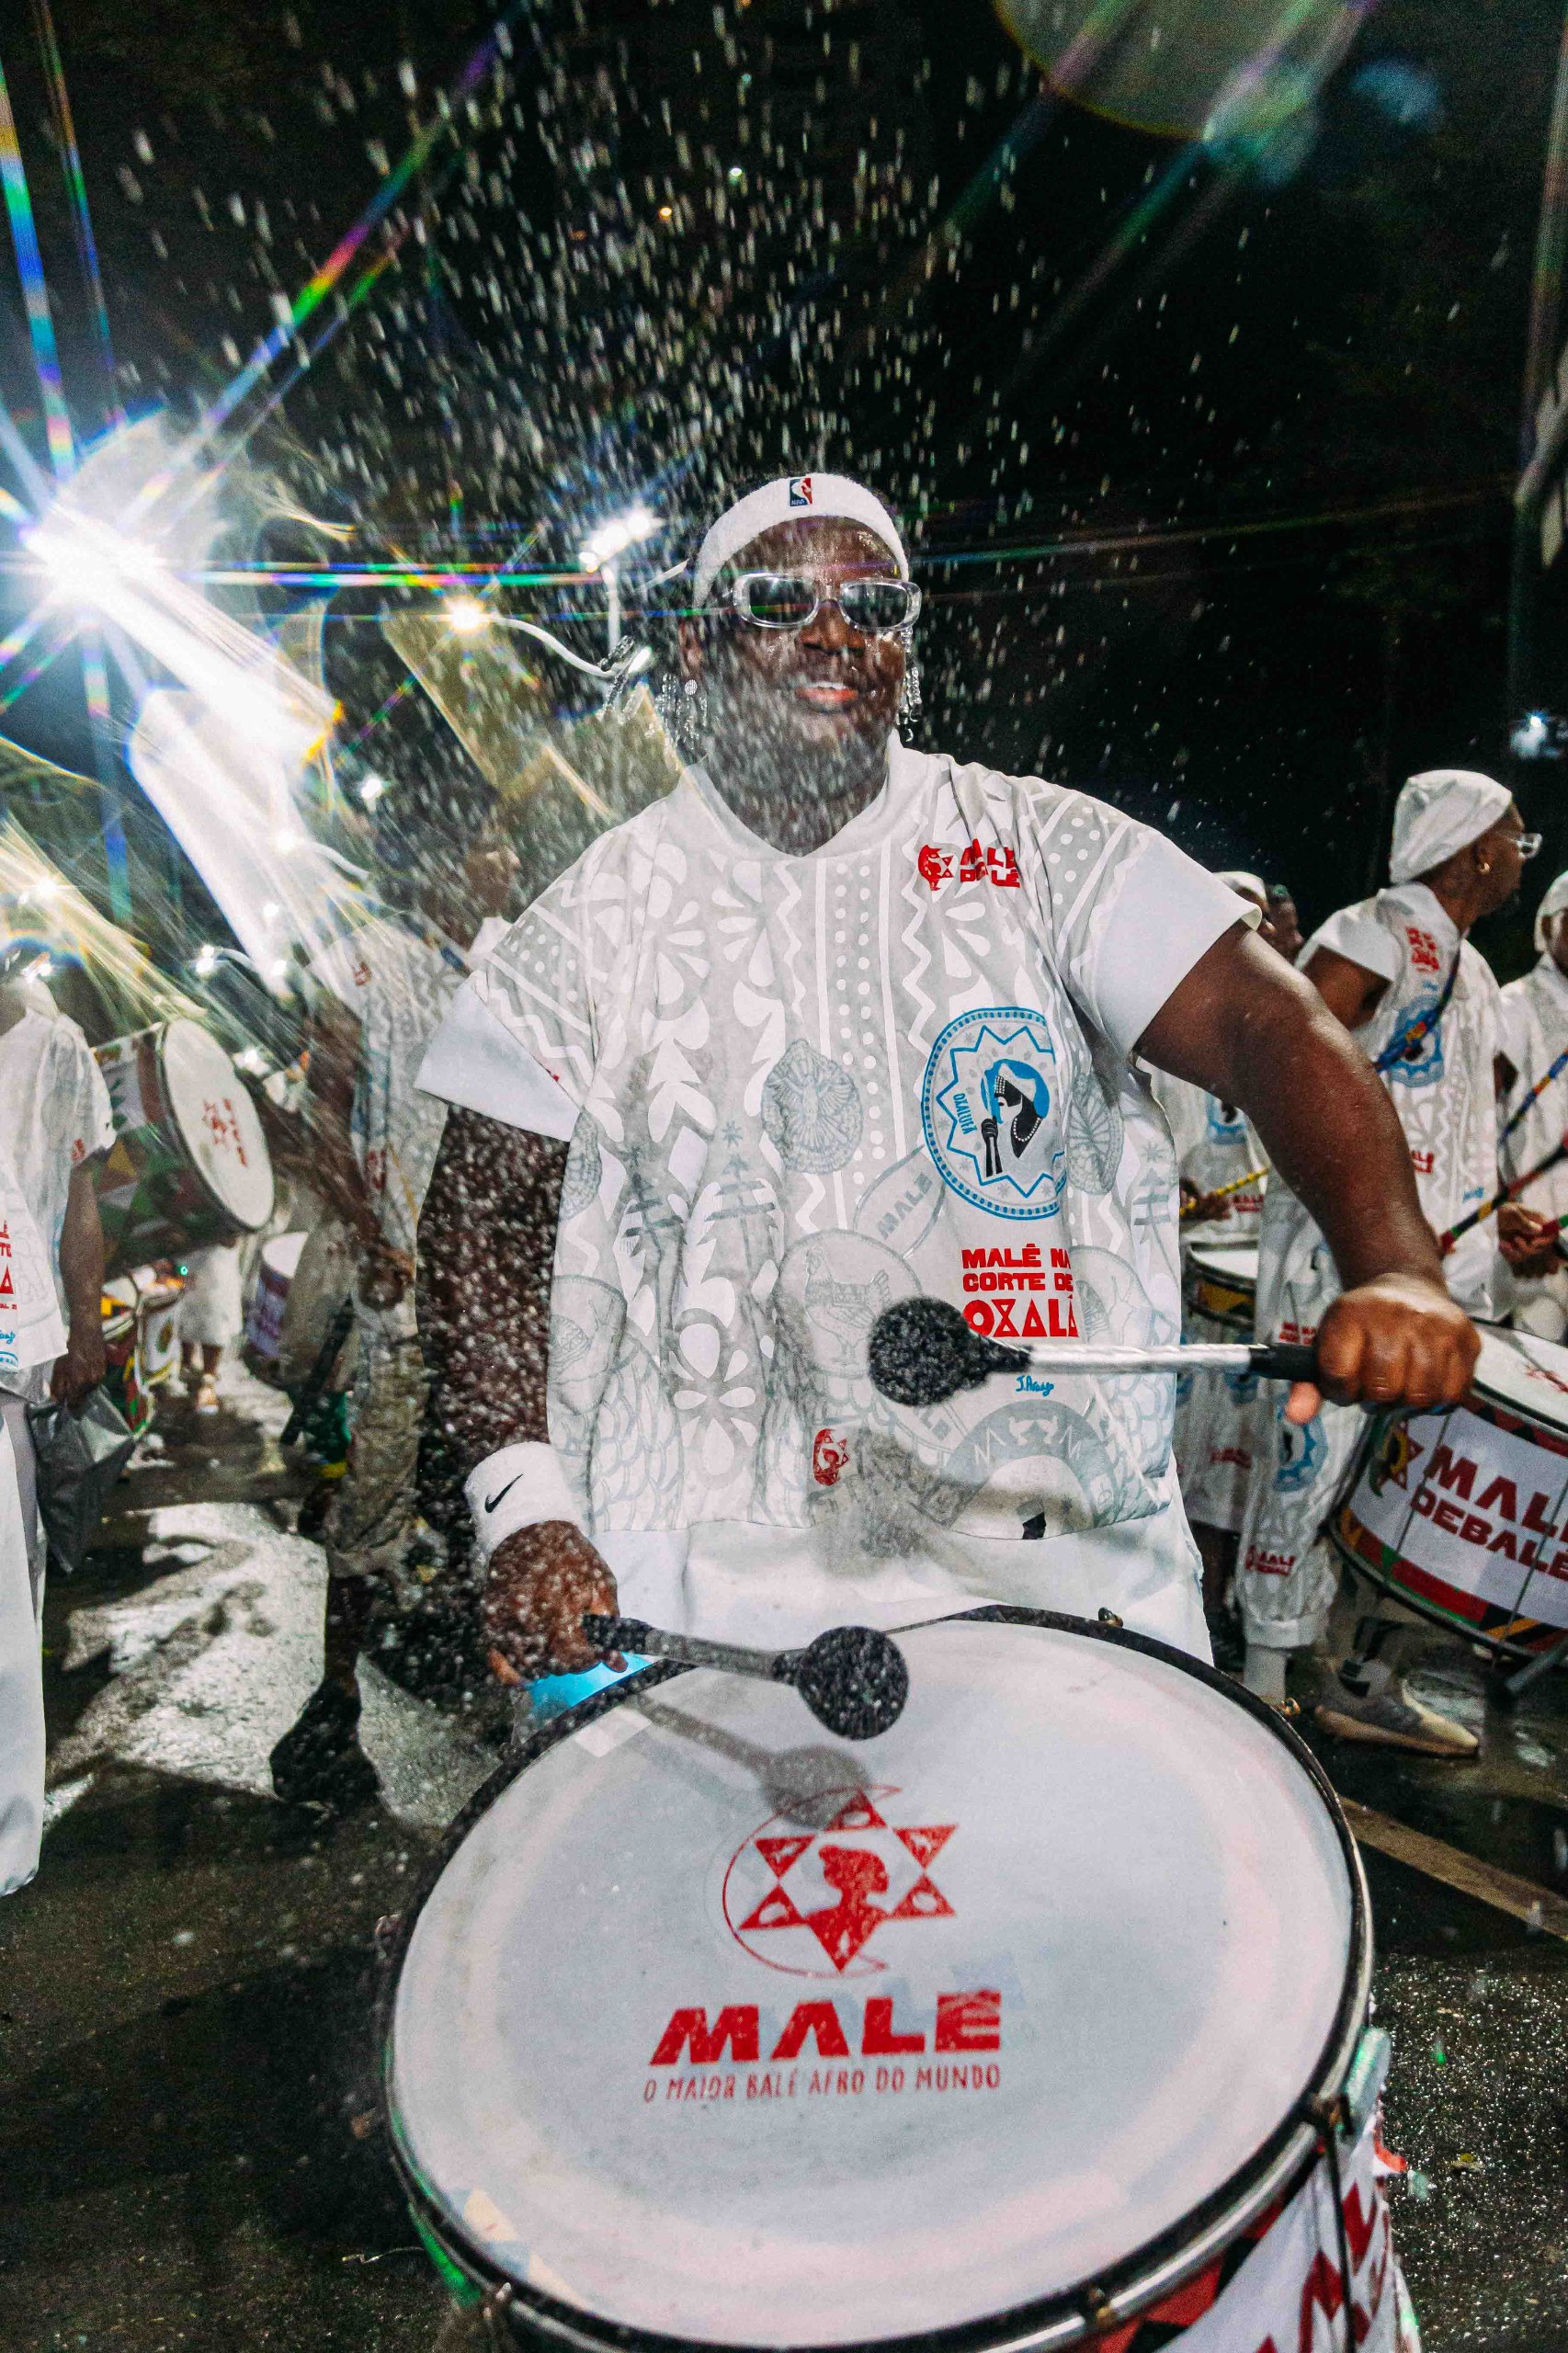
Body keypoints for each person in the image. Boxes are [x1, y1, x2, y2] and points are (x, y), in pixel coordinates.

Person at [413, 472, 1475, 1700]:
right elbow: (481, 1221)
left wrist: (1393, 1264)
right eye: (779, 601)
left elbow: (1259, 1023)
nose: (834, 633)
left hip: (1053, 1568)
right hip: (713, 1598)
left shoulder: (1032, 845)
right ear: (700, 650)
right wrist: (520, 1509)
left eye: (874, 606)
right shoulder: (601, 911)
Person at [1237, 769, 1551, 1753]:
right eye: (1513, 837)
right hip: (1344, 1261)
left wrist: (1486, 1217)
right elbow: (1286, 1057)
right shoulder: (1373, 932)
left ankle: (1350, 1675)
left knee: (1387, 1480)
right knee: (1306, 1461)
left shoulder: (1468, 966)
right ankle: (1258, 1679)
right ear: (1468, 849)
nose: (1518, 853)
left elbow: (1457, 1125)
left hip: (1437, 1274)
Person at [267, 771, 518, 1808]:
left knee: (506, 1498)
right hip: (402, 1301)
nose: (509, 863)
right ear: (444, 861)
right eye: (493, 843)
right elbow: (318, 1112)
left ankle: (516, 1708)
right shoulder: (365, 965)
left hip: (497, 1300)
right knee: (367, 1519)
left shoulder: (513, 970)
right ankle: (331, 1711)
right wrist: (368, 1230)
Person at [0, 963, 112, 1894]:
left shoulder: (56, 1046)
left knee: (2, 1610)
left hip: (11, 1350)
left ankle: (5, 1840)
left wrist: (87, 1319)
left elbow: (83, 1201)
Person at [1152, 870, 1277, 1653]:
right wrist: (1176, 1198)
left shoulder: (1269, 1046)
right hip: (1176, 1283)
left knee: (1235, 1458)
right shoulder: (1155, 1038)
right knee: (1177, 1461)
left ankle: (1222, 1606)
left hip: (1246, 1279)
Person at [1496, 869, 1568, 1342]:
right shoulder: (1512, 1006)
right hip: (1532, 1253)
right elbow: (1473, 1122)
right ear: (1548, 926)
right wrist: (1503, 1210)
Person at [176, 1239, 244, 1414]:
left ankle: (208, 1381)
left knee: (214, 1317)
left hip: (216, 1259)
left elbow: (233, 1237)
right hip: (186, 1255)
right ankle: (186, 1363)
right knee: (183, 1305)